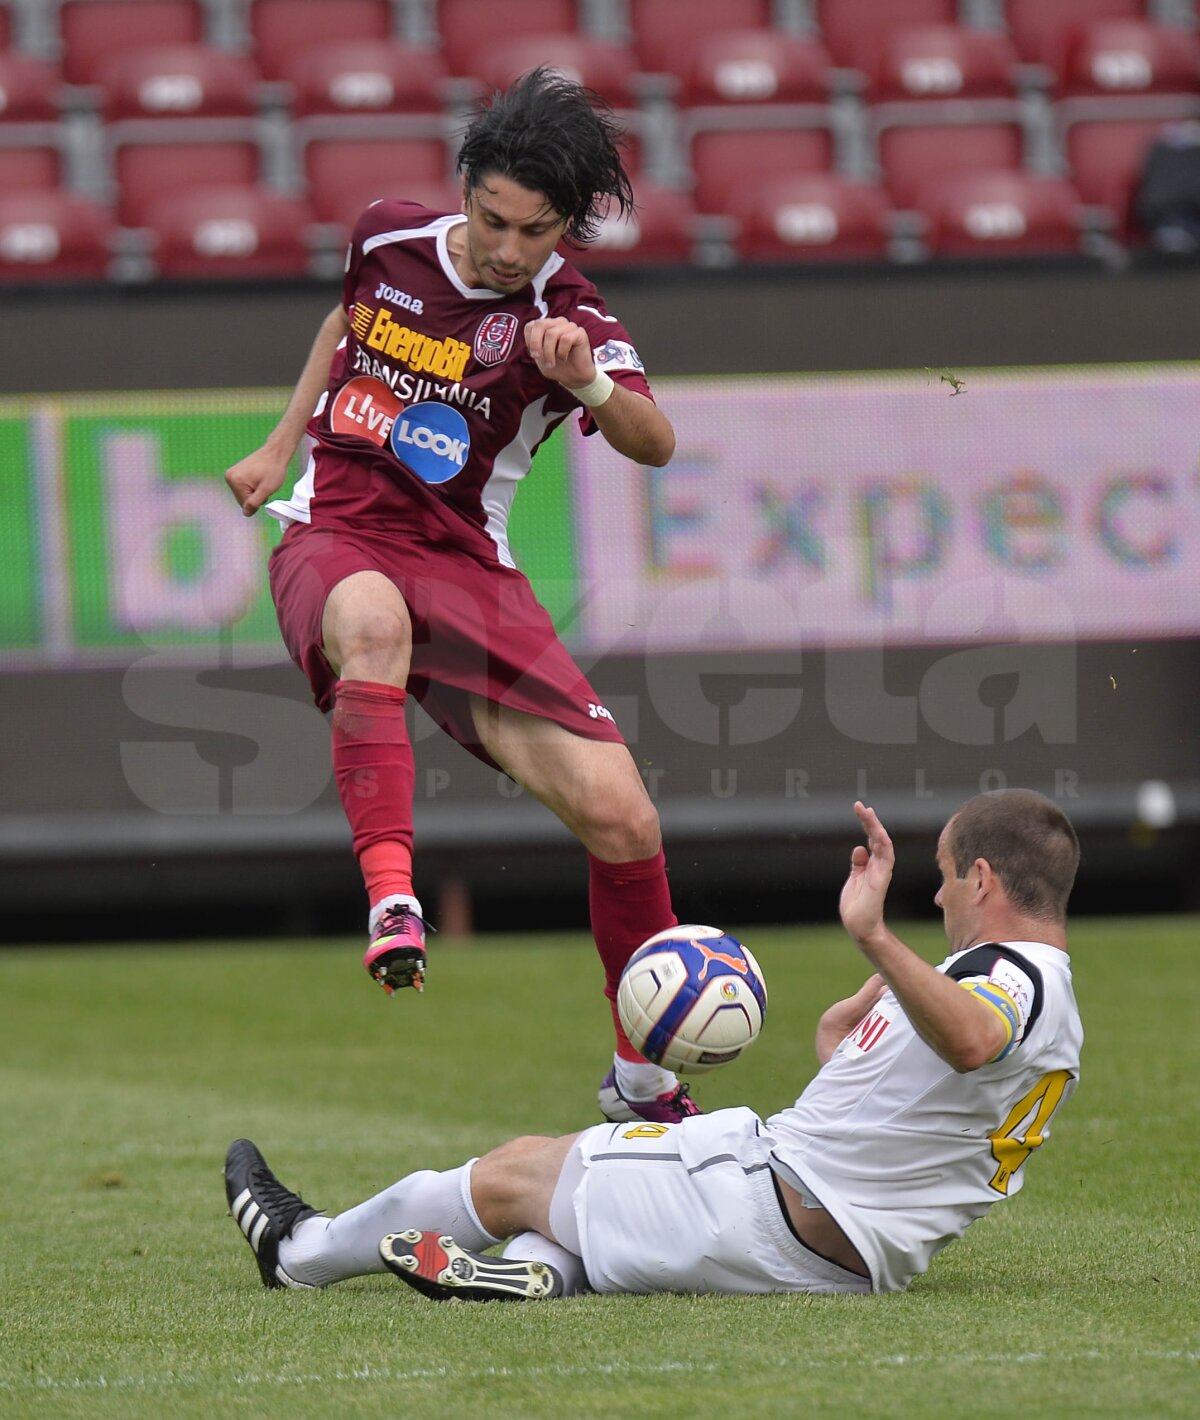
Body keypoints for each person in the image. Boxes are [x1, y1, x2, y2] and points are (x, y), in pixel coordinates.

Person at [224, 69, 694, 1124]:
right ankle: (394, 897)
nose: (508, 247)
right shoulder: (386, 237)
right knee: (372, 622)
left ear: (565, 227)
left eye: (536, 230)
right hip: (336, 532)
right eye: (493, 219)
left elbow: (656, 444)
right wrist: (278, 442)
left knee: (624, 816)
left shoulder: (565, 312)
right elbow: (342, 322)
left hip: (467, 568)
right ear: (465, 187)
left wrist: (589, 383)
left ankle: (646, 1083)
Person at [225, 790, 1084, 1298]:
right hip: (840, 1245)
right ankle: (534, 1278)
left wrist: (872, 937)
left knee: (518, 1170)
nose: (934, 899)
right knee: (579, 1202)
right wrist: (842, 1040)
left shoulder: (1011, 977)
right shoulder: (1036, 991)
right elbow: (933, 1105)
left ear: (982, 879)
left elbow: (972, 1043)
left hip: (772, 1206)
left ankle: (300, 1252)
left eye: (941, 876)